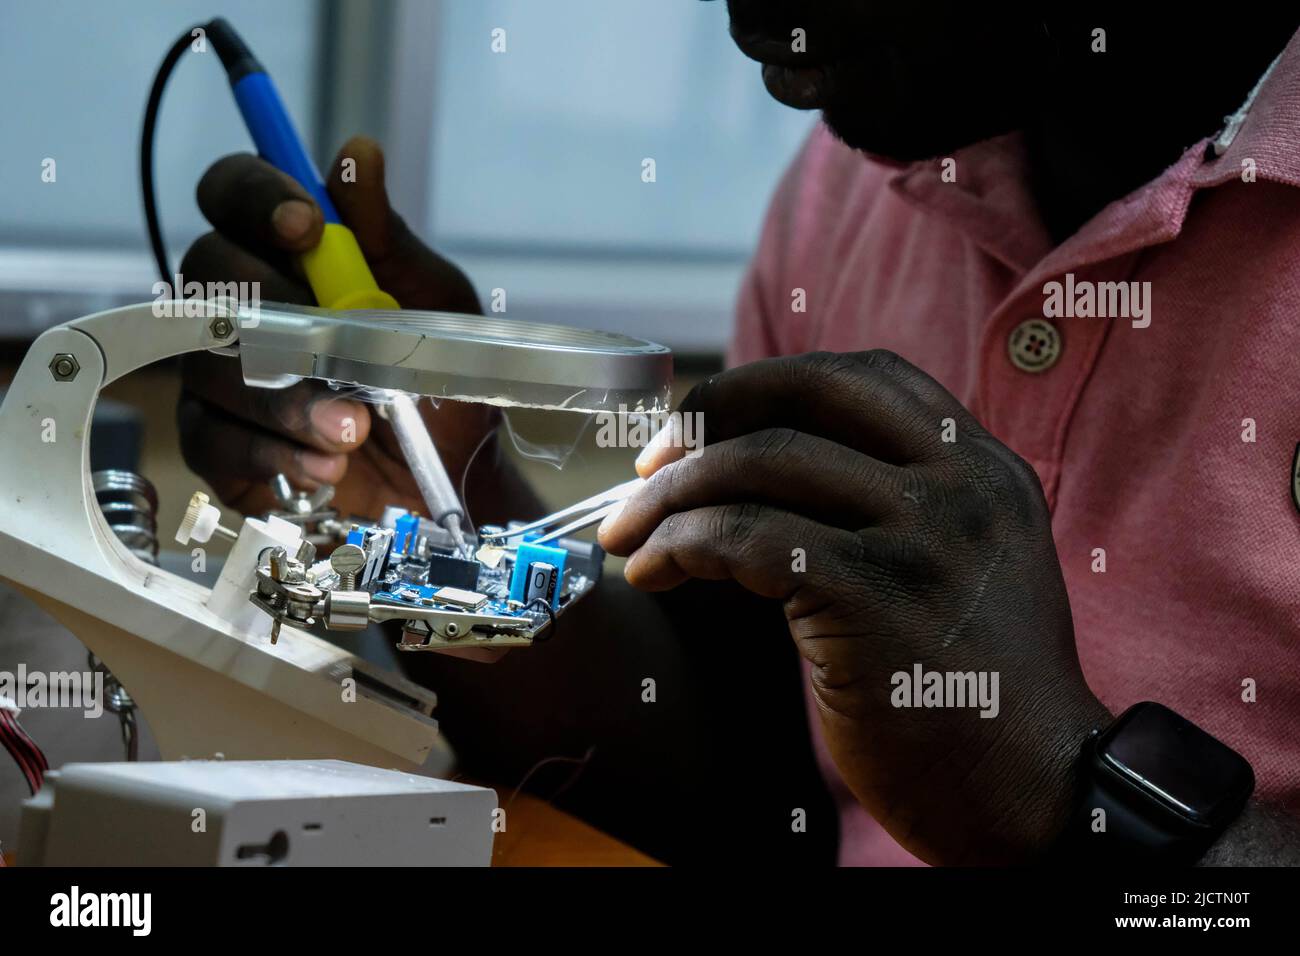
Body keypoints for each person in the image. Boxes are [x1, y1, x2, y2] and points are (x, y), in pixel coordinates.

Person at [176, 5, 1300, 865]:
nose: (744, 19)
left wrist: (1062, 797)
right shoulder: (865, 182)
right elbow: (744, 785)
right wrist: (451, 511)